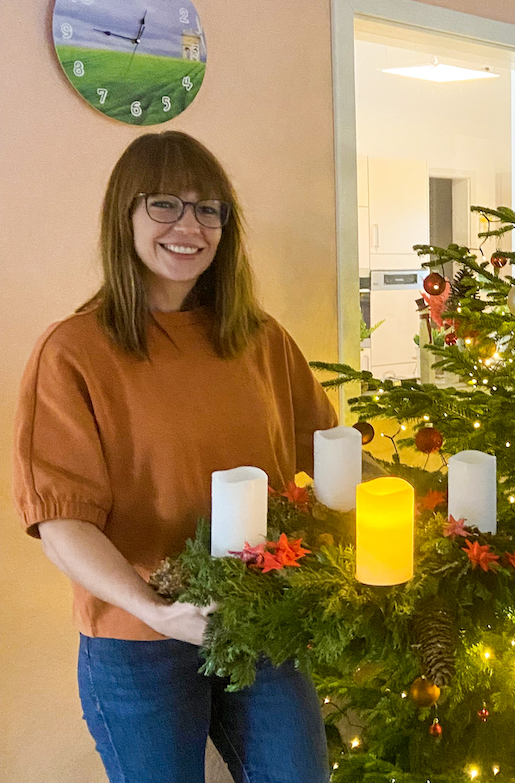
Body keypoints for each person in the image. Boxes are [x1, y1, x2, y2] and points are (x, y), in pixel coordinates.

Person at [13, 131, 337, 783]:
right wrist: (157, 609)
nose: (190, 225)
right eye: (165, 204)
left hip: (260, 627)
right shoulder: (74, 352)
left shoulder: (261, 339)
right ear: (123, 216)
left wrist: (421, 508)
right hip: (138, 642)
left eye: (208, 208)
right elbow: (62, 522)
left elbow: (330, 462)